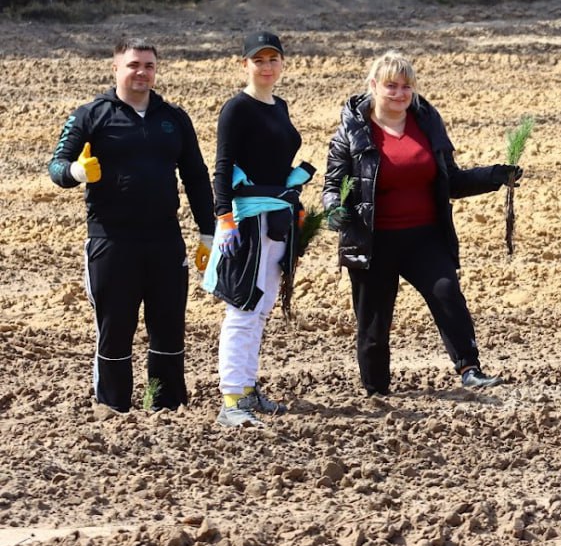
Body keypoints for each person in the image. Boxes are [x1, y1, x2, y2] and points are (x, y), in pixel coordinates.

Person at [323, 51, 521, 396]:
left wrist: (494, 176)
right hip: (373, 241)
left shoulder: (427, 123)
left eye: (406, 87)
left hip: (424, 237)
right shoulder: (352, 132)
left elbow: (452, 181)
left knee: (447, 293)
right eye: (391, 86)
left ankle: (469, 368)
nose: (399, 94)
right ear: (373, 86)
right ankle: (377, 391)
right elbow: (332, 187)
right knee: (373, 323)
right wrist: (335, 211)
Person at [48, 36, 215, 413]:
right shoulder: (90, 114)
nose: (141, 72)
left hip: (164, 240)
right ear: (116, 68)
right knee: (116, 330)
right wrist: (76, 172)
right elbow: (56, 166)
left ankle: (166, 406)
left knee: (169, 328)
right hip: (112, 241)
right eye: (133, 65)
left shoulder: (174, 118)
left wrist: (208, 232)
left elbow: (196, 177)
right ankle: (114, 408)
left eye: (149, 65)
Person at [204, 31, 311, 428]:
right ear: (244, 64)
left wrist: (294, 205)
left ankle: (246, 390)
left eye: (273, 59)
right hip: (249, 220)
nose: (267, 67)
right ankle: (231, 397)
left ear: (282, 63)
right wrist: (224, 219)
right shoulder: (237, 109)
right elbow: (223, 165)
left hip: (278, 217)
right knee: (244, 306)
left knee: (261, 307)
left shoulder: (279, 106)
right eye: (259, 60)